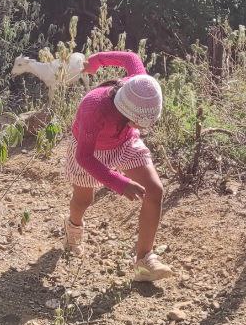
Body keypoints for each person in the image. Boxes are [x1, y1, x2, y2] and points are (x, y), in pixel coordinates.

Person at [64, 50, 174, 283]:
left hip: (125, 142)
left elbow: (130, 58)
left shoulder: (139, 84)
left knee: (154, 191)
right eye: (139, 122)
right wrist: (119, 183)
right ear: (125, 112)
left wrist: (94, 62)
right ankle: (73, 227)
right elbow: (84, 157)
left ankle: (144, 262)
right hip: (90, 150)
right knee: (84, 200)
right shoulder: (93, 107)